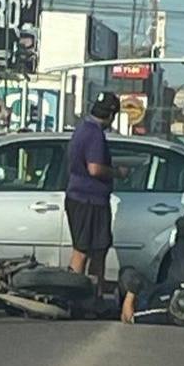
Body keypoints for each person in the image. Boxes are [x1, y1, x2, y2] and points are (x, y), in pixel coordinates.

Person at [65, 92, 123, 292]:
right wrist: (118, 172)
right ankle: (86, 296)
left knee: (83, 249)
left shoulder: (81, 129)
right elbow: (95, 168)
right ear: (111, 115)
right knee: (92, 252)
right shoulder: (95, 134)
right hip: (90, 201)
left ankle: (78, 294)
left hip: (78, 197)